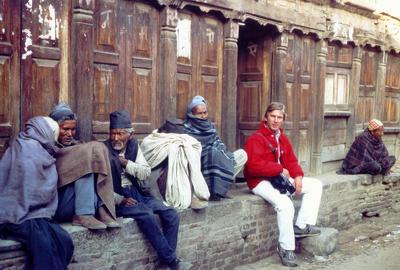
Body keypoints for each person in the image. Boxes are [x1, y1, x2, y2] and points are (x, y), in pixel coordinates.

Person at [104, 110, 193, 270]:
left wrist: (127, 164)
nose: (116, 138)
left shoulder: (134, 146)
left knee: (171, 214)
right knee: (146, 214)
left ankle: (164, 264)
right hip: (118, 198)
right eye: (113, 134)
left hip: (137, 194)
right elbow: (99, 186)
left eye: (120, 133)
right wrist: (120, 200)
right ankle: (173, 262)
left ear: (130, 134)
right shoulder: (103, 150)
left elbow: (145, 172)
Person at [244, 102, 323, 267]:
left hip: (279, 179)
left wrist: (298, 177)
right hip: (260, 181)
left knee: (315, 185)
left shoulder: (283, 139)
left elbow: (292, 162)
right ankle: (286, 248)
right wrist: (279, 168)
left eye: (279, 117)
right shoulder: (255, 139)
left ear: (283, 119)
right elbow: (253, 166)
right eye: (272, 116)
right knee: (285, 204)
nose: (275, 120)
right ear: (265, 118)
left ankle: (301, 226)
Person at [0, 116, 74, 270]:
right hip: (14, 215)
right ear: (45, 132)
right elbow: (26, 187)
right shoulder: (28, 148)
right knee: (44, 243)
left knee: (63, 239)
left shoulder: (36, 148)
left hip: (35, 214)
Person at [49, 102, 120, 230]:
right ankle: (83, 214)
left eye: (73, 129)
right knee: (86, 158)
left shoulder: (78, 145)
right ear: (54, 129)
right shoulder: (48, 149)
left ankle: (102, 209)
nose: (70, 134)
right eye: (65, 129)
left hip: (78, 204)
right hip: (57, 207)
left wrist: (118, 199)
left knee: (93, 154)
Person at [184, 95, 248, 200]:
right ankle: (206, 190)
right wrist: (210, 152)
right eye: (199, 113)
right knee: (213, 154)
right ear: (192, 114)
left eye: (205, 112)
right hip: (200, 166)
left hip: (217, 159)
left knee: (241, 155)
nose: (203, 116)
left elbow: (219, 144)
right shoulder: (187, 130)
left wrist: (220, 153)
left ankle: (220, 188)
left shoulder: (210, 127)